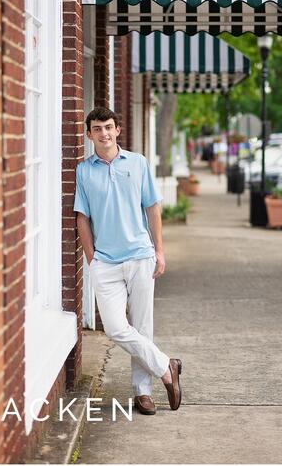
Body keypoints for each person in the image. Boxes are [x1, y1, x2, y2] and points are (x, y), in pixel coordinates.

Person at [73, 107, 181, 416]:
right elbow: (82, 218)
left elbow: (153, 208)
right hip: (105, 262)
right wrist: (91, 260)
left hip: (139, 256)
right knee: (116, 328)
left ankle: (143, 392)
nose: (104, 133)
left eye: (108, 127)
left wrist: (159, 250)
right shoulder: (84, 170)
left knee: (142, 326)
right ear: (89, 134)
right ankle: (166, 367)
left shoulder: (138, 163)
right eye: (97, 128)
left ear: (118, 130)